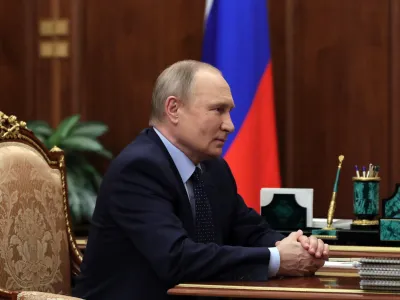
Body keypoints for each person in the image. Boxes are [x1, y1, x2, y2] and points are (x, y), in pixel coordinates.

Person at [73, 60, 329, 300]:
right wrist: (275, 259)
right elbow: (176, 258)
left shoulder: (212, 168)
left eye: (229, 112)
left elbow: (250, 231)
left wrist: (295, 246)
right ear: (173, 109)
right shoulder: (138, 169)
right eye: (218, 110)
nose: (229, 125)